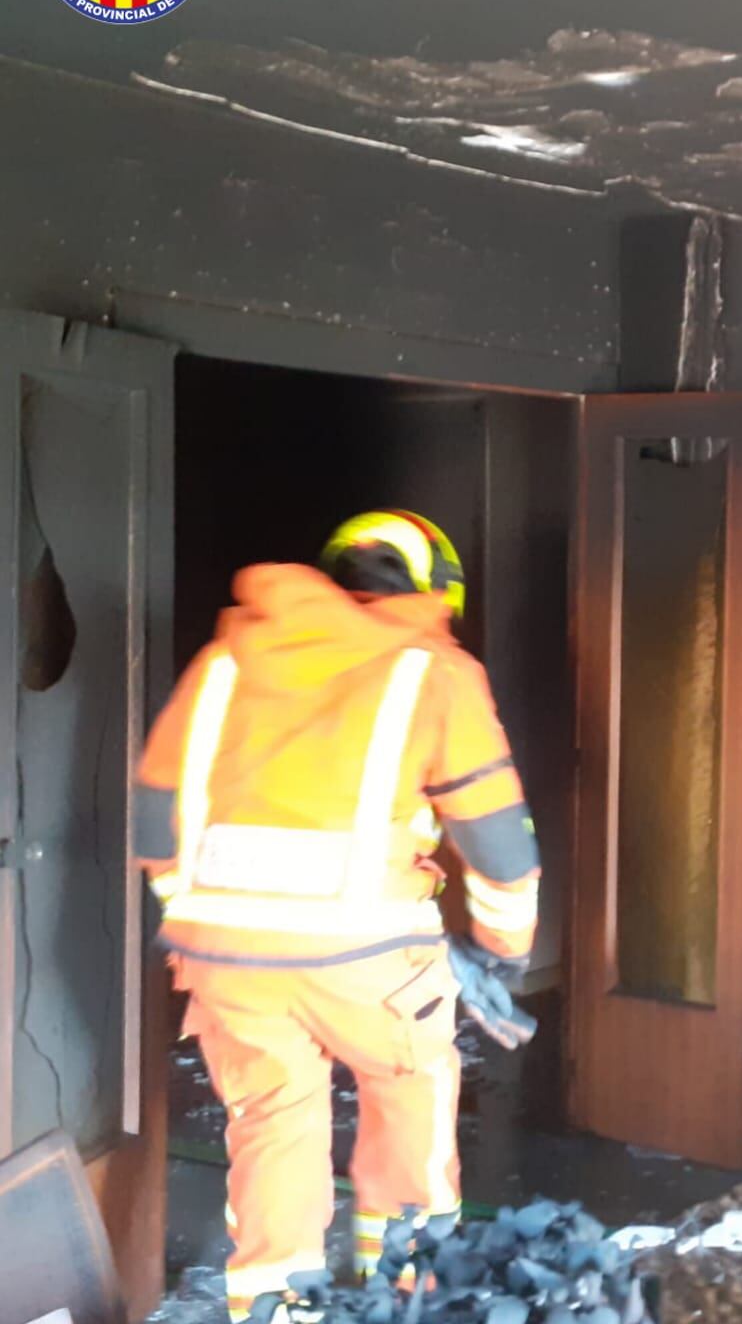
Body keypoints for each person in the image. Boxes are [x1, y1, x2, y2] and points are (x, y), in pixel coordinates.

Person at [134, 510, 540, 1320]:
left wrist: (208, 920)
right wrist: (504, 949)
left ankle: (278, 1309)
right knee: (409, 1095)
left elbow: (155, 818)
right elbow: (498, 841)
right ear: (438, 590)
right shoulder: (434, 670)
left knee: (272, 1125)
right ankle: (410, 1295)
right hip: (370, 957)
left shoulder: (224, 660)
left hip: (226, 957)